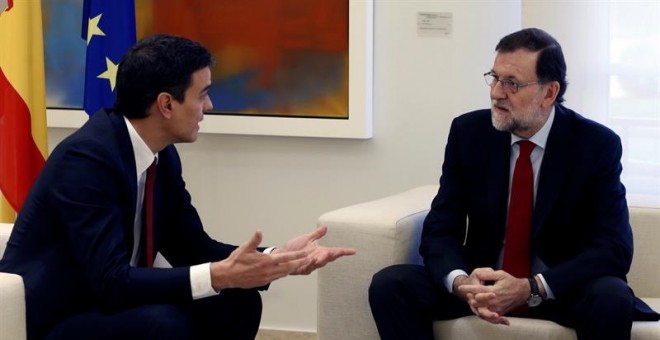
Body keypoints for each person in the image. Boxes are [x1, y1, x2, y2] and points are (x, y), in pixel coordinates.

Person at [0, 34, 355, 340]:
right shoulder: (87, 160)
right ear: (166, 104)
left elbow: (194, 248)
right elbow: (109, 281)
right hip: (52, 316)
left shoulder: (161, 156)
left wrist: (277, 259)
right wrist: (218, 275)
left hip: (105, 299)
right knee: (161, 323)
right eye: (202, 95)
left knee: (237, 299)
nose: (209, 106)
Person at [368, 28, 659, 340]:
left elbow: (614, 249)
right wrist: (461, 282)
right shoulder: (469, 133)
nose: (496, 92)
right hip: (482, 283)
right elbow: (441, 228)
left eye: (512, 84)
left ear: (549, 93)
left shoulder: (595, 145)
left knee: (611, 296)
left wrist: (530, 287)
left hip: (555, 289)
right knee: (391, 284)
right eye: (494, 78)